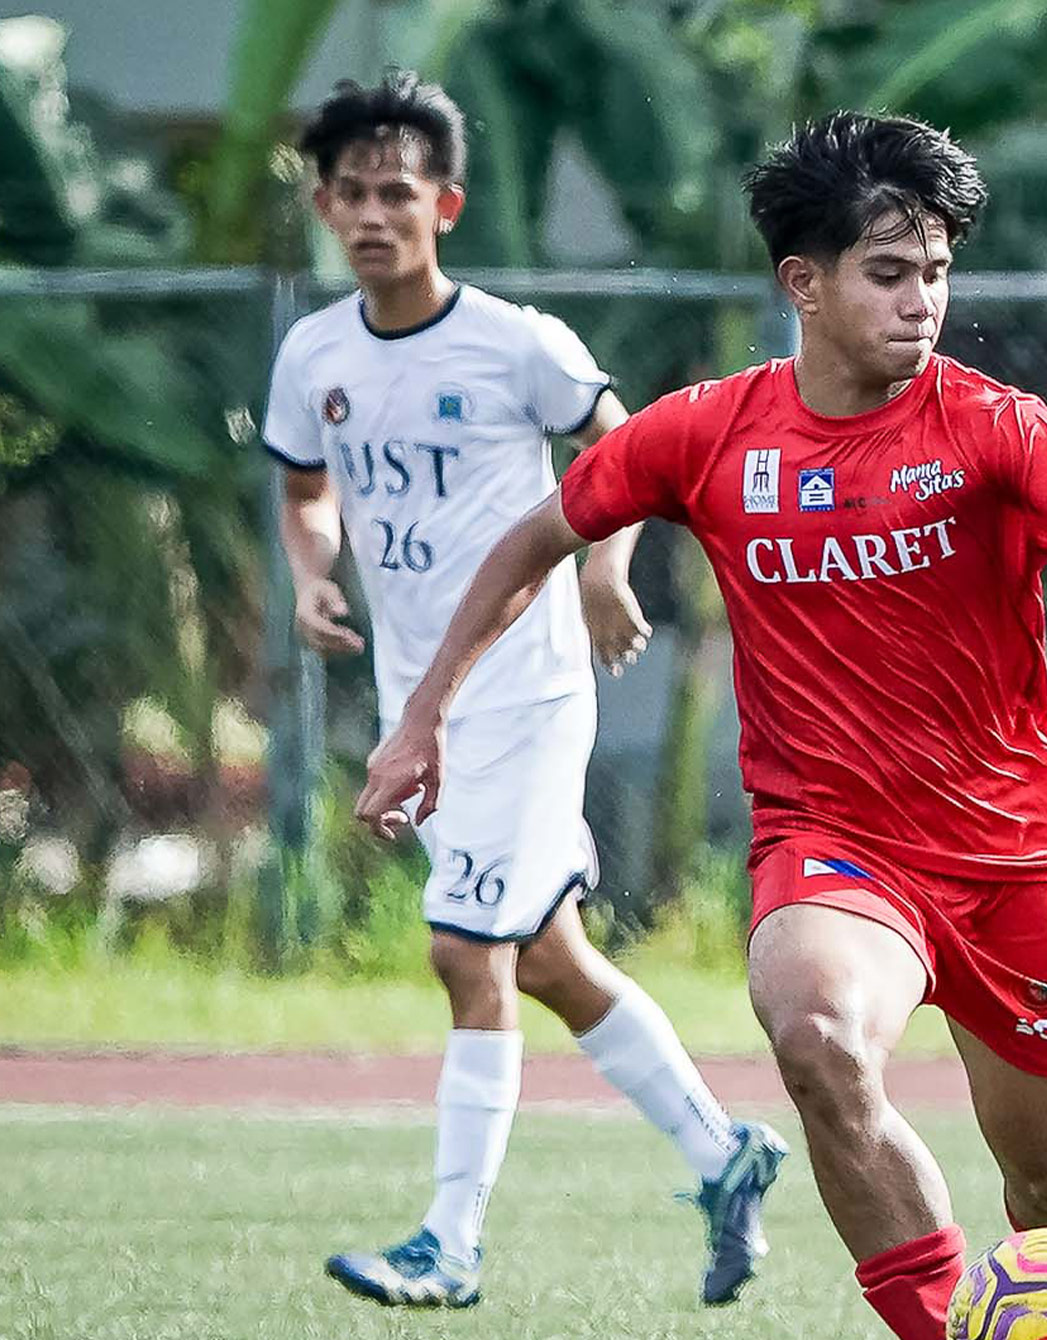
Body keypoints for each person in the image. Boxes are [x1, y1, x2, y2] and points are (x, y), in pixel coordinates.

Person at [353, 111, 1047, 1340]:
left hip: (1011, 848)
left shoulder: (995, 424)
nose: (924, 301)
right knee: (814, 1032)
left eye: (938, 273)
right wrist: (421, 716)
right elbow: (535, 539)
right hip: (833, 840)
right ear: (802, 282)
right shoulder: (711, 430)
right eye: (890, 273)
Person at [265, 74, 784, 1309]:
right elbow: (302, 488)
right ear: (326, 208)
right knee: (542, 955)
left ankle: (449, 1243)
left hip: (530, 693)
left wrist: (607, 569)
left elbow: (629, 459)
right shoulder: (313, 353)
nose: (374, 213)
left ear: (445, 205)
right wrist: (310, 574)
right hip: (418, 705)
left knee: (463, 948)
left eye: (400, 191)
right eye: (352, 193)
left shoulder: (519, 344)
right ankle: (726, 1154)